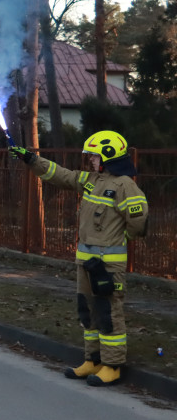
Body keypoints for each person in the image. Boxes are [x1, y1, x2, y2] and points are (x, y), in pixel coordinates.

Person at [10, 131, 149, 387]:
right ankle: (93, 360)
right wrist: (31, 159)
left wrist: (121, 236)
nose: (90, 160)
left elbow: (138, 222)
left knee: (109, 313)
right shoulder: (91, 180)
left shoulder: (125, 185)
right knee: (88, 312)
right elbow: (62, 175)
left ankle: (112, 366)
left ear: (108, 156)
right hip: (86, 262)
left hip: (108, 265)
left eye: (94, 156)